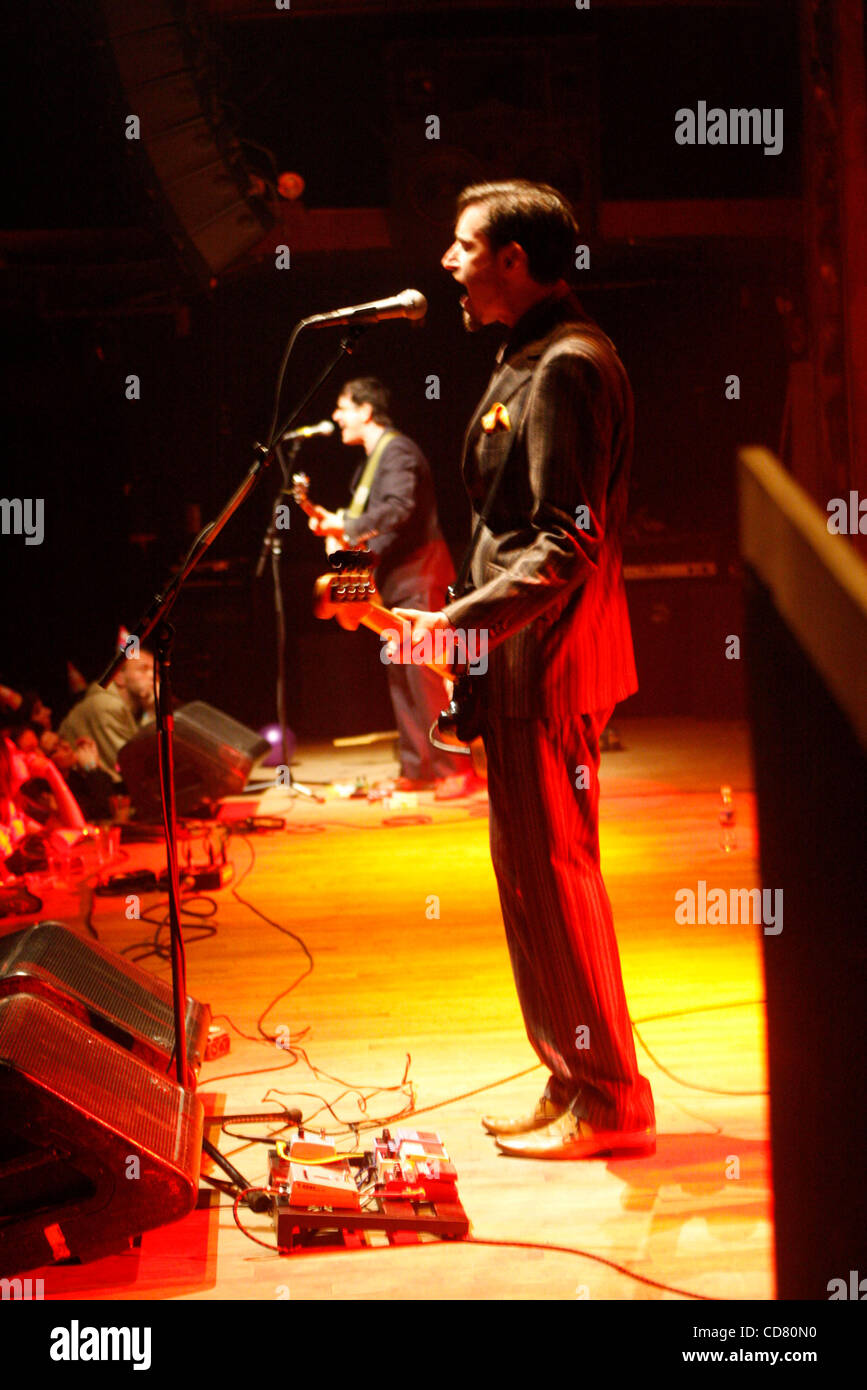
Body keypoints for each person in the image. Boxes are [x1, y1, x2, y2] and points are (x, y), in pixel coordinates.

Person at [392, 180, 655, 1158]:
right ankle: (571, 1074)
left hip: (546, 663)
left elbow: (561, 544)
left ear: (513, 259)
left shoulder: (565, 368)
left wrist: (451, 627)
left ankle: (612, 1097)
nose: (451, 263)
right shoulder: (534, 359)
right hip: (521, 662)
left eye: (466, 246)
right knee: (532, 884)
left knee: (557, 878)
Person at [309, 377, 478, 798]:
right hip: (394, 580)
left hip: (419, 574)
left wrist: (345, 527)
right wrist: (338, 527)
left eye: (343, 407)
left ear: (366, 411)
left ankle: (456, 768)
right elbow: (376, 519)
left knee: (426, 674)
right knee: (402, 674)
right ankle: (419, 767)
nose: (336, 416)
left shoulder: (397, 451)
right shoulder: (369, 464)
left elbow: (399, 510)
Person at [58, 648, 156, 783]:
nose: (152, 675)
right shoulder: (107, 706)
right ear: (119, 677)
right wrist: (151, 711)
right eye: (143, 669)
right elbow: (137, 767)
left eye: (154, 670)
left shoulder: (123, 708)